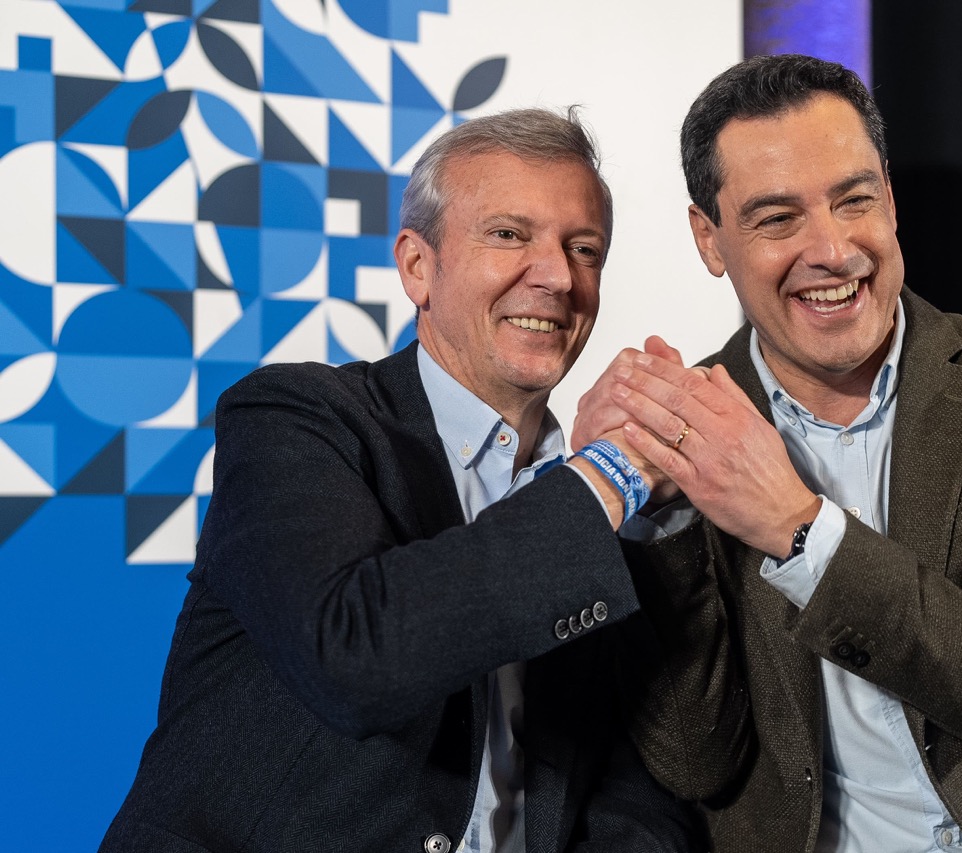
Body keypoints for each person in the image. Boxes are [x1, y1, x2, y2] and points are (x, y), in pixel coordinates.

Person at [100, 108, 703, 853]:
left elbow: (633, 783)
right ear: (418, 266)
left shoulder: (598, 502)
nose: (557, 277)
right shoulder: (295, 416)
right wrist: (613, 471)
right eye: (509, 235)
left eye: (584, 249)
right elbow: (355, 658)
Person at [574, 55, 962, 853]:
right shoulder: (689, 429)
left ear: (890, 199)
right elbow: (694, 760)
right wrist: (657, 528)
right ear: (709, 239)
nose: (832, 250)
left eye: (854, 200)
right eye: (777, 218)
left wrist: (800, 531)